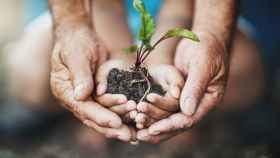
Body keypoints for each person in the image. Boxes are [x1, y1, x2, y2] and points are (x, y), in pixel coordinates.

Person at [4, 0, 265, 152]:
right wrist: (116, 56)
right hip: (89, 13)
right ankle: (70, 117)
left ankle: (207, 123)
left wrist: (163, 58)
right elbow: (103, 8)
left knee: (241, 71)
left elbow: (180, 9)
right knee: (33, 72)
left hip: (189, 16)